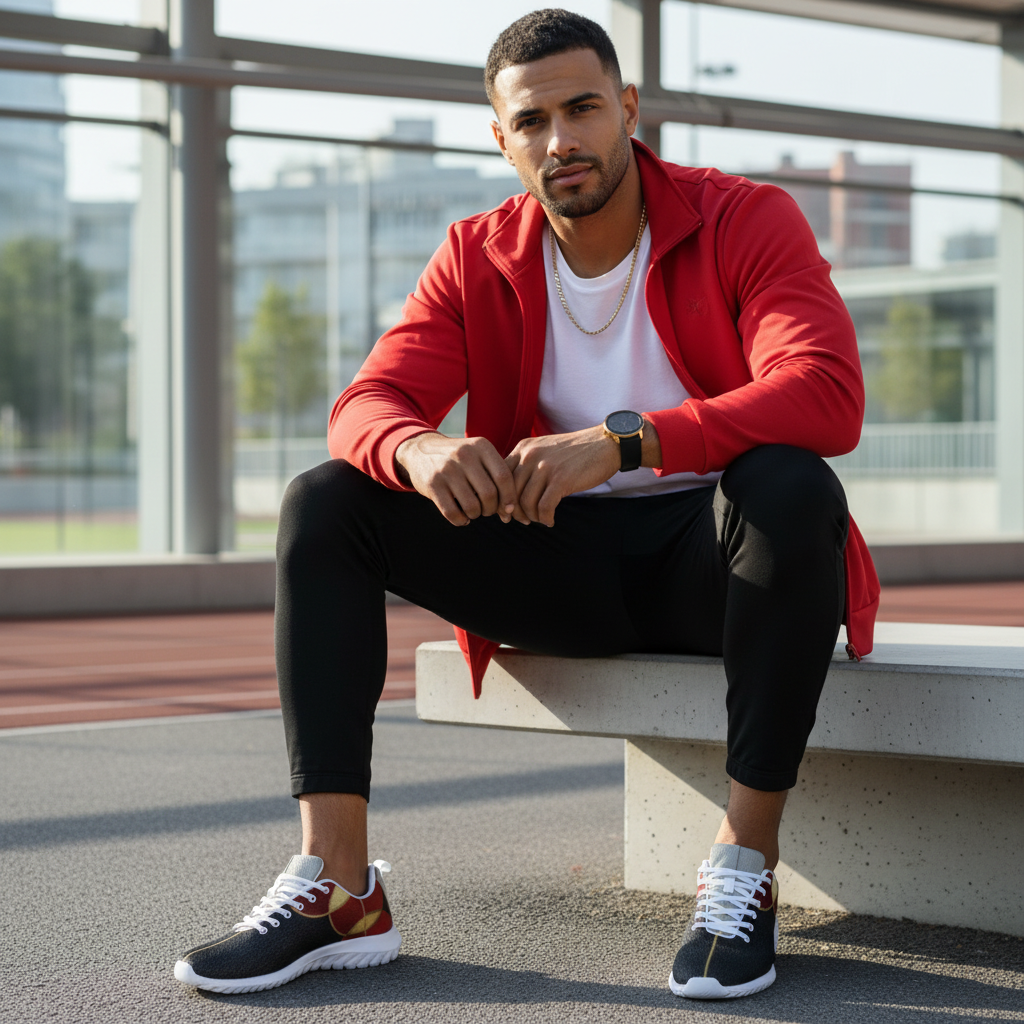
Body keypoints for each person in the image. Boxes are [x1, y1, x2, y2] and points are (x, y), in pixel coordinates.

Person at [174, 7, 879, 1001]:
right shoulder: (477, 253)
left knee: (791, 480)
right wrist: (418, 446)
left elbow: (824, 391)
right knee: (329, 500)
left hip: (713, 563)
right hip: (555, 563)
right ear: (500, 138)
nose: (562, 139)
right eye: (533, 120)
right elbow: (363, 404)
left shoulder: (740, 217)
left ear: (627, 110)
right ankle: (339, 887)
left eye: (583, 108)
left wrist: (624, 440)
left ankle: (742, 866)